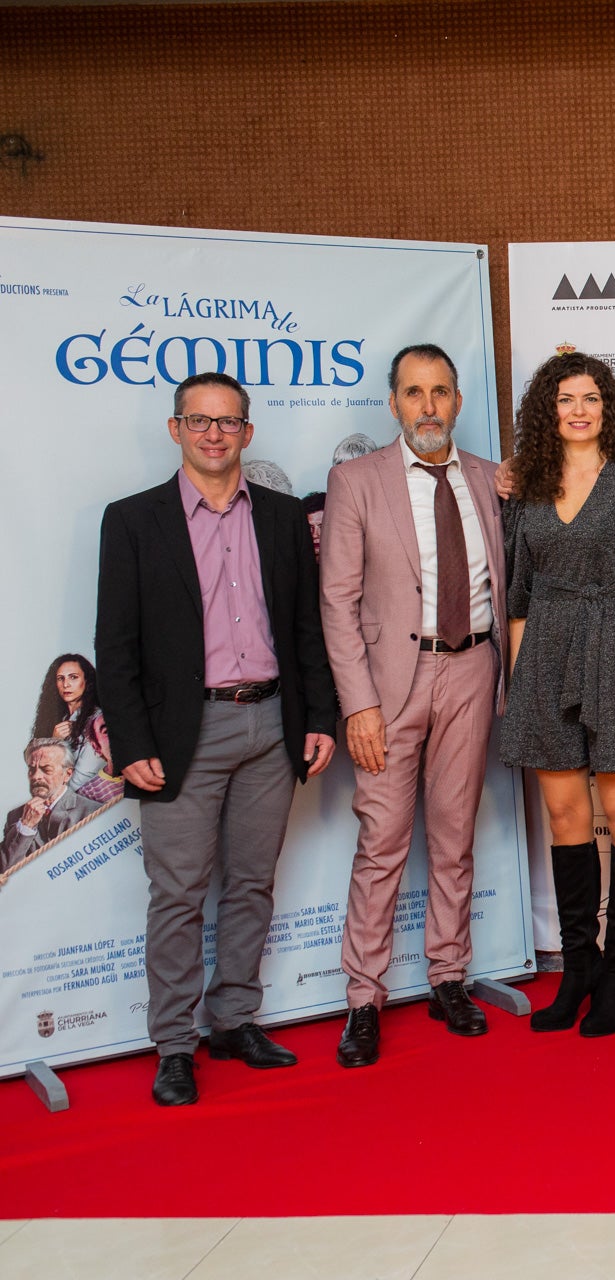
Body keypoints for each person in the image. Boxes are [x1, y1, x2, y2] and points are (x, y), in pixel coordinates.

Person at [94, 370, 337, 1106]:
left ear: (247, 433)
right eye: (198, 420)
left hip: (269, 723)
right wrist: (131, 739)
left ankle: (233, 1020)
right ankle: (174, 1044)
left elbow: (305, 628)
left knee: (252, 883)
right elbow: (117, 643)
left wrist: (320, 716)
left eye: (227, 422)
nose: (213, 433)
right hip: (179, 733)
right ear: (175, 429)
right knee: (177, 894)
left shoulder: (283, 516)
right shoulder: (134, 520)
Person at [321, 344, 507, 1067]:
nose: (427, 405)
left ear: (457, 401)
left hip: (472, 673)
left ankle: (448, 978)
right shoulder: (355, 481)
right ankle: (364, 998)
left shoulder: (493, 481)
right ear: (393, 403)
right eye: (413, 392)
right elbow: (337, 603)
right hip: (390, 687)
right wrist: (358, 704)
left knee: (454, 838)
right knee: (382, 845)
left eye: (440, 392)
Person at [500, 351, 615, 1036]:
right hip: (544, 649)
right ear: (549, 412)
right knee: (566, 816)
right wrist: (522, 682)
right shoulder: (530, 485)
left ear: (609, 409)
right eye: (565, 399)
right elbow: (518, 594)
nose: (578, 410)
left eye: (591, 399)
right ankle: (578, 967)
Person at [1, 740, 103, 874]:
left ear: (67, 774)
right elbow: (5, 872)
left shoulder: (93, 812)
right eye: (32, 769)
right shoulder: (15, 816)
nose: (36, 776)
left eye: (46, 769)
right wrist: (26, 827)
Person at [32, 653, 121, 803]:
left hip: (88, 805)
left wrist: (55, 748)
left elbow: (82, 778)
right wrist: (55, 741)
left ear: (87, 681)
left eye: (73, 677)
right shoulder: (60, 720)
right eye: (61, 678)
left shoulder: (98, 721)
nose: (66, 684)